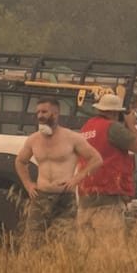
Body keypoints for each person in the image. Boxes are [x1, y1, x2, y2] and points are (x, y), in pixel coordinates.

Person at [15, 96, 102, 240]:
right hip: (41, 196)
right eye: (38, 112)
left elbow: (96, 159)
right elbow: (20, 161)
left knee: (65, 242)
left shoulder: (72, 138)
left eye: (44, 112)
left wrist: (77, 178)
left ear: (55, 114)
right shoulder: (33, 139)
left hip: (64, 197)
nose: (40, 116)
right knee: (33, 241)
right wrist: (28, 185)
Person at [77, 92, 137, 235]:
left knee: (86, 250)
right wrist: (132, 124)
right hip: (107, 196)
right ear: (115, 113)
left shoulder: (87, 127)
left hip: (85, 197)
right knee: (109, 248)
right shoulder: (113, 128)